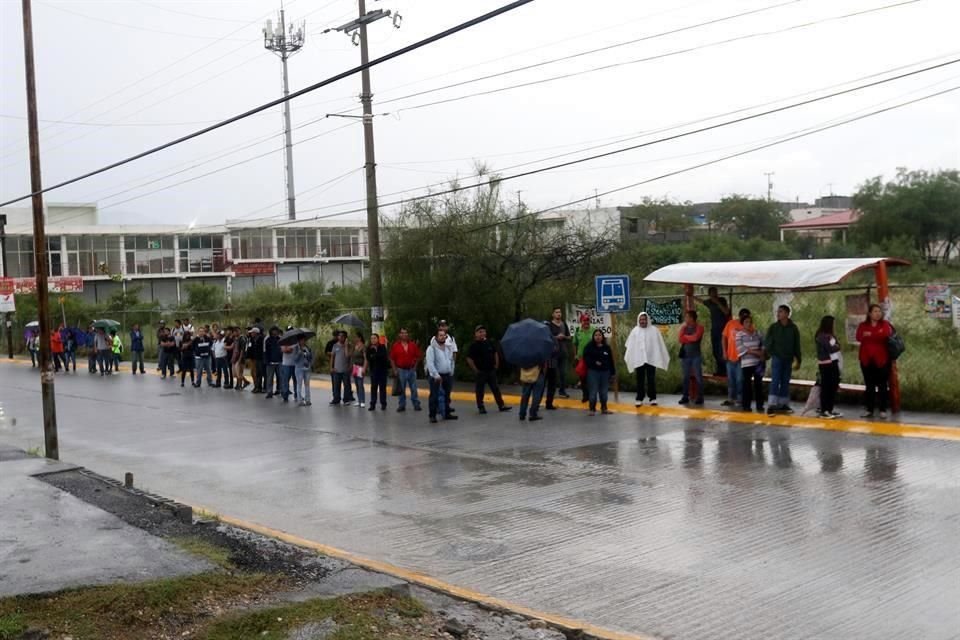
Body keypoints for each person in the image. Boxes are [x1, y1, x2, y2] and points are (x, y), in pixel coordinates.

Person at [624, 311, 670, 407]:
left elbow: (659, 344)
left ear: (647, 320)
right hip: (639, 359)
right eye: (641, 319)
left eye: (644, 319)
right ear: (638, 320)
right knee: (639, 379)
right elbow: (630, 345)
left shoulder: (654, 330)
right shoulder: (635, 331)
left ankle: (652, 398)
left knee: (651, 379)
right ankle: (639, 398)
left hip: (651, 358)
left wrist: (658, 355)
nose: (642, 321)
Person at [856, 303, 894, 419]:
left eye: (879, 311)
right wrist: (874, 335)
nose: (878, 314)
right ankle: (869, 409)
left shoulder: (885, 324)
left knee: (882, 384)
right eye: (875, 311)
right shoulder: (863, 325)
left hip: (882, 359)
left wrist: (870, 334)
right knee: (869, 385)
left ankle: (882, 409)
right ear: (869, 314)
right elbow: (859, 337)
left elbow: (886, 335)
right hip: (866, 358)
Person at [764, 304, 801, 416]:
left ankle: (783, 403)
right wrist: (768, 353)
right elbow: (768, 341)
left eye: (780, 312)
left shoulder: (793, 328)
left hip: (788, 358)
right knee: (775, 380)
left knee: (785, 381)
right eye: (778, 312)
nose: (778, 314)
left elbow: (796, 344)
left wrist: (798, 358)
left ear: (787, 314)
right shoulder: (774, 327)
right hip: (777, 358)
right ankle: (772, 405)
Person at [466, 325, 510, 414]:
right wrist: (475, 369)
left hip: (491, 370)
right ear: (476, 334)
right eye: (480, 332)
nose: (482, 333)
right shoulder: (474, 346)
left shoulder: (489, 342)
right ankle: (481, 407)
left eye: (483, 331)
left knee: (495, 388)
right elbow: (469, 359)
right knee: (480, 390)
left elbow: (495, 353)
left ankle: (501, 405)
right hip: (481, 371)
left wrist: (496, 365)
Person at [695, 287, 731, 376]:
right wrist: (690, 295)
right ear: (709, 294)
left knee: (722, 349)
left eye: (715, 292)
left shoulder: (722, 300)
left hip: (723, 328)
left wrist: (717, 302)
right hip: (714, 329)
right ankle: (720, 370)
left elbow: (726, 312)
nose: (714, 294)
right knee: (715, 351)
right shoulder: (709, 302)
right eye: (712, 293)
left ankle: (726, 370)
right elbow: (701, 301)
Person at [425, 328, 457, 423]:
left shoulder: (447, 348)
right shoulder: (431, 348)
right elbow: (430, 363)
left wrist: (451, 371)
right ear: (436, 337)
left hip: (447, 375)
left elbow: (451, 360)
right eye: (440, 335)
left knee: (447, 395)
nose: (443, 337)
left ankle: (446, 413)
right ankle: (432, 415)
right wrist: (436, 375)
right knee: (434, 396)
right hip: (437, 376)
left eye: (444, 336)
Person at [815, 315, 843, 419]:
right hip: (825, 363)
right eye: (833, 323)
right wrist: (836, 347)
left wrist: (836, 346)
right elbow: (830, 348)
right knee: (826, 386)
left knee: (834, 385)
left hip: (834, 362)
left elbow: (838, 345)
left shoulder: (831, 336)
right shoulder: (821, 336)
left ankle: (830, 409)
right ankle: (824, 410)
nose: (834, 326)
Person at [583, 329, 616, 416]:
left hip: (605, 372)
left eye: (599, 335)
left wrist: (613, 373)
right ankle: (592, 409)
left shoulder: (607, 347)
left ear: (602, 337)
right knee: (593, 391)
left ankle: (604, 408)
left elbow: (611, 361)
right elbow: (586, 358)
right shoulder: (589, 347)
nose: (598, 337)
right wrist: (594, 362)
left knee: (604, 392)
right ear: (593, 337)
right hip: (593, 372)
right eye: (596, 335)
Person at [736, 315, 765, 413]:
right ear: (742, 324)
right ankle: (746, 406)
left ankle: (760, 405)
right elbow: (741, 349)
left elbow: (763, 344)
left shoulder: (758, 333)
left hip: (758, 363)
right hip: (746, 363)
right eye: (746, 322)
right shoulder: (739, 335)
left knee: (758, 384)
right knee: (746, 385)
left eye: (749, 322)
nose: (748, 324)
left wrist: (762, 352)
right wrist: (756, 352)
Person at [721, 309, 750, 407]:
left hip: (741, 358)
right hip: (730, 356)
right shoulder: (731, 323)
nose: (745, 319)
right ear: (739, 316)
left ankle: (739, 399)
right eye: (743, 317)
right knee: (731, 379)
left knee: (739, 379)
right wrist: (724, 352)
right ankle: (730, 398)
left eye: (747, 317)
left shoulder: (749, 325)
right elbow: (724, 337)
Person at [389, 327, 422, 412]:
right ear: (400, 334)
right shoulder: (396, 346)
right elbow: (392, 359)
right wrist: (395, 370)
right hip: (401, 370)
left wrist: (415, 367)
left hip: (411, 370)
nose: (404, 334)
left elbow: (418, 356)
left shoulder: (412, 345)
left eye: (406, 333)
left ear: (408, 334)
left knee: (414, 388)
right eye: (402, 333)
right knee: (401, 389)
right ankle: (401, 405)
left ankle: (416, 404)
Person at [678, 310, 705, 406]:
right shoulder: (684, 328)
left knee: (698, 377)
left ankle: (700, 397)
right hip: (686, 356)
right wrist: (689, 337)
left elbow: (696, 337)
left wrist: (686, 337)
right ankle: (685, 396)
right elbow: (680, 339)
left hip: (696, 356)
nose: (685, 319)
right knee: (685, 377)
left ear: (692, 318)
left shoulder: (699, 327)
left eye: (687, 317)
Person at [572, 314, 596, 403]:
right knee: (582, 378)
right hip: (581, 358)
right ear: (581, 322)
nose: (586, 322)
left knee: (591, 378)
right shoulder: (578, 331)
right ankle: (585, 395)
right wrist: (575, 355)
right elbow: (574, 343)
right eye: (584, 320)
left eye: (587, 320)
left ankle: (591, 395)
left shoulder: (593, 330)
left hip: (591, 358)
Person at [548, 308, 571, 398]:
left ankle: (562, 391)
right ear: (553, 314)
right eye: (556, 312)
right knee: (553, 374)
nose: (559, 314)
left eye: (560, 312)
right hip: (553, 353)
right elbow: (547, 337)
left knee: (563, 373)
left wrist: (564, 336)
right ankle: (551, 392)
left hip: (563, 352)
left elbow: (569, 337)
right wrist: (556, 337)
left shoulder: (564, 324)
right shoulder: (549, 325)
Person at [366, 333, 389, 411]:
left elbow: (384, 357)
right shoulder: (369, 348)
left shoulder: (382, 347)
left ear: (378, 339)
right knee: (373, 388)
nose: (373, 340)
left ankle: (383, 404)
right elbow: (368, 358)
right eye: (371, 338)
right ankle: (372, 404)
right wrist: (376, 355)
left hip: (382, 371)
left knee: (382, 388)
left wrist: (375, 355)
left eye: (374, 338)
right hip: (373, 371)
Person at [329, 331, 353, 405]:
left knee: (347, 385)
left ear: (346, 337)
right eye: (339, 336)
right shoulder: (335, 346)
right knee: (336, 386)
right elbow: (332, 357)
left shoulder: (349, 346)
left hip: (346, 369)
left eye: (342, 336)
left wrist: (350, 366)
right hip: (336, 370)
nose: (340, 337)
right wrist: (331, 367)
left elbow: (350, 357)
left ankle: (346, 399)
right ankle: (336, 399)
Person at [292, 335, 314, 407]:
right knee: (299, 384)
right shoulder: (295, 348)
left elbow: (311, 357)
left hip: (307, 368)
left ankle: (308, 400)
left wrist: (310, 363)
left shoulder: (307, 347)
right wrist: (299, 352)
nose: (303, 341)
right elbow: (294, 359)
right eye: (301, 340)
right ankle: (300, 400)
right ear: (298, 341)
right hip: (299, 368)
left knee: (307, 385)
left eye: (304, 340)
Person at [263, 326, 283, 398]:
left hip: (279, 362)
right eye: (273, 331)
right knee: (269, 378)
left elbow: (282, 349)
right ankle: (269, 392)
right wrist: (267, 361)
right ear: (271, 332)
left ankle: (280, 390)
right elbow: (265, 351)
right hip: (270, 362)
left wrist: (282, 359)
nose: (275, 333)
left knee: (280, 377)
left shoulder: (280, 339)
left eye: (276, 331)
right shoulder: (267, 339)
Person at [279, 326, 297, 402]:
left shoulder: (296, 341)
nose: (290, 332)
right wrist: (290, 348)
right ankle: (285, 395)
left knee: (296, 380)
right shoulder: (283, 340)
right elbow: (285, 350)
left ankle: (297, 394)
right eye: (288, 331)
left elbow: (290, 350)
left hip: (295, 364)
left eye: (291, 330)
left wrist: (289, 348)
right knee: (285, 380)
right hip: (286, 364)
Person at [351, 334, 368, 408]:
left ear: (360, 338)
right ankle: (359, 400)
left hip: (360, 367)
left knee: (360, 384)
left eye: (356, 337)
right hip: (355, 367)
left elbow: (366, 358)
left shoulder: (363, 347)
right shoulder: (355, 346)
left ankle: (363, 401)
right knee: (357, 384)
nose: (354, 338)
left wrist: (364, 368)